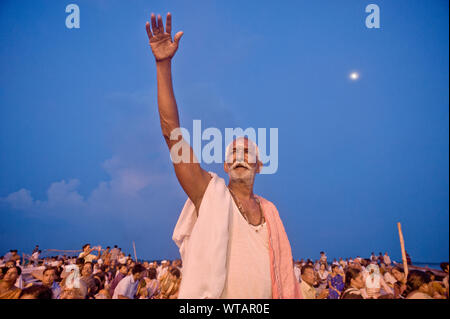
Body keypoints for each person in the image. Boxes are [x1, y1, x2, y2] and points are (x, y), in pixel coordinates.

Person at [145, 12, 301, 299]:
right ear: (226, 165)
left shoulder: (270, 212)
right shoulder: (209, 193)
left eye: (247, 151)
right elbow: (171, 133)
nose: (240, 156)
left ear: (259, 165)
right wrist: (163, 65)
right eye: (233, 152)